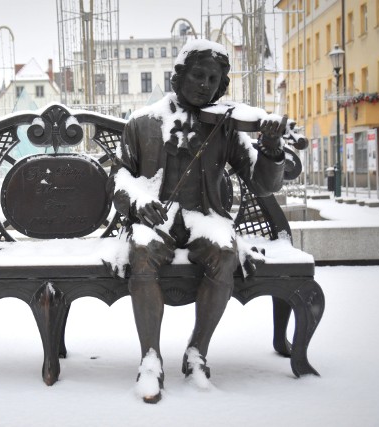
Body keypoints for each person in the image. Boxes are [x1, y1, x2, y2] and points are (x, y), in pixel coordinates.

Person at [109, 39, 287, 403]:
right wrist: (140, 201)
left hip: (203, 218)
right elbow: (118, 178)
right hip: (158, 221)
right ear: (179, 76)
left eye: (213, 79)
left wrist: (270, 149)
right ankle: (150, 359)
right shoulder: (142, 123)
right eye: (198, 75)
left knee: (224, 252)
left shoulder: (224, 127)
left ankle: (197, 352)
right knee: (141, 250)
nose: (206, 84)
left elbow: (262, 183)